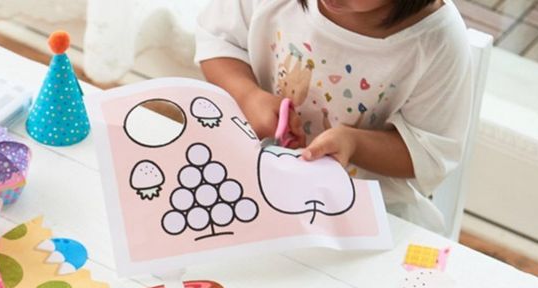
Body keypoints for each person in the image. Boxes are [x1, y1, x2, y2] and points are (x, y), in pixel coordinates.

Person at [195, 0, 473, 231]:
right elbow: (218, 41)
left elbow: (429, 153)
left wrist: (354, 143)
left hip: (366, 216)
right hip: (252, 186)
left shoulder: (437, 41)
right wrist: (249, 96)